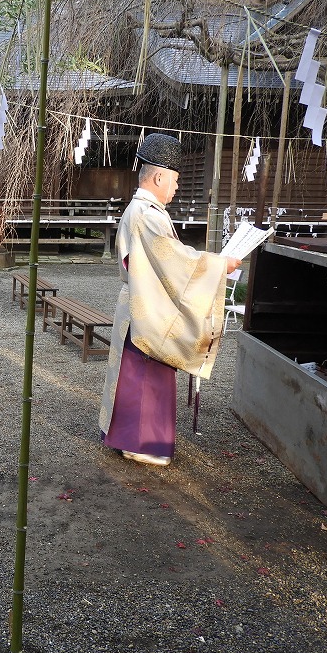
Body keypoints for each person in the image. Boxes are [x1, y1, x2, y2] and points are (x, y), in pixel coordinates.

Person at [99, 133, 240, 467]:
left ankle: (128, 438)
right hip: (146, 308)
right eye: (175, 180)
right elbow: (174, 261)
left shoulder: (144, 211)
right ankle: (140, 442)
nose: (176, 187)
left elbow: (166, 260)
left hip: (144, 302)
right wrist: (220, 264)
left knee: (137, 375)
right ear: (159, 176)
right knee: (145, 377)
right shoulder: (147, 214)